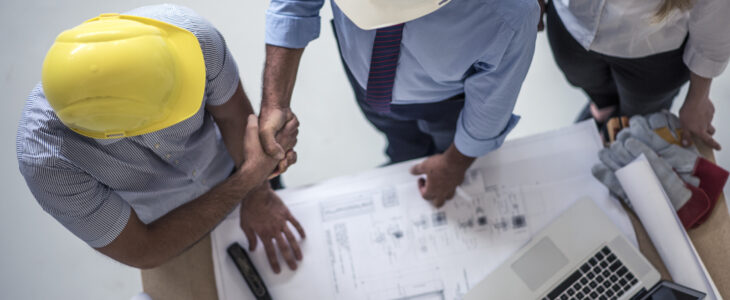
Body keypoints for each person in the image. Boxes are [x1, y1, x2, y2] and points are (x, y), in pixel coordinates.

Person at [16, 4, 304, 273]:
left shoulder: (192, 41)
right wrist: (248, 181)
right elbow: (144, 249)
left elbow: (233, 118)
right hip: (170, 227)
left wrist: (258, 193)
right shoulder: (48, 161)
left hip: (238, 162)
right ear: (115, 132)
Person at [258, 0, 539, 214]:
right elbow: (293, 6)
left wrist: (455, 163)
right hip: (368, 83)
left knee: (445, 153)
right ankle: (404, 157)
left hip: (448, 106)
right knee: (402, 148)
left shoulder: (509, 10)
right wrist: (275, 102)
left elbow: (491, 104)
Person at [541, 0, 730, 149]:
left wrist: (698, 98)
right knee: (592, 87)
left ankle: (617, 132)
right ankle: (604, 113)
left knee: (637, 118)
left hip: (654, 47)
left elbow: (716, 13)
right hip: (572, 25)